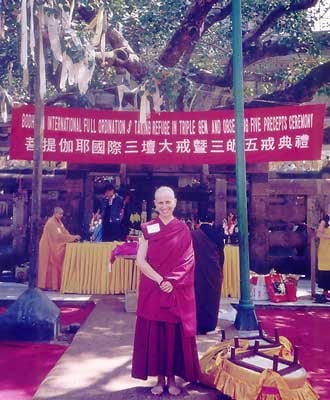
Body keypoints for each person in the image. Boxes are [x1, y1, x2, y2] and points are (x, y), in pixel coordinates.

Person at [132, 186, 200, 396]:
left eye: (168, 202)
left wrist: (171, 281)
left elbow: (189, 259)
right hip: (154, 288)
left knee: (172, 334)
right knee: (156, 333)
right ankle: (159, 379)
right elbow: (140, 261)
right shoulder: (148, 228)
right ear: (155, 204)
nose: (164, 206)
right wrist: (161, 280)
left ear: (175, 202)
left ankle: (172, 379)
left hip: (175, 289)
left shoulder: (183, 229)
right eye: (160, 203)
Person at [192, 215, 225, 334]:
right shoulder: (217, 235)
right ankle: (210, 326)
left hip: (197, 271)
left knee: (198, 298)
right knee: (212, 300)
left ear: (198, 220)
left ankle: (197, 325)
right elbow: (221, 256)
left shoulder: (194, 235)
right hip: (214, 272)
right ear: (212, 221)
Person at [37, 207, 80, 291]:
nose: (61, 216)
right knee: (47, 266)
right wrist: (72, 238)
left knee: (53, 267)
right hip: (47, 246)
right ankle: (44, 285)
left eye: (62, 214)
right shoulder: (51, 223)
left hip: (53, 245)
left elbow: (64, 231)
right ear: (55, 213)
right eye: (60, 214)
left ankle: (54, 285)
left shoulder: (58, 222)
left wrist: (72, 237)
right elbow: (58, 237)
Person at [316, 203, 330, 301]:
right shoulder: (324, 221)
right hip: (325, 251)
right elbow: (318, 234)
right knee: (326, 272)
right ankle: (325, 294)